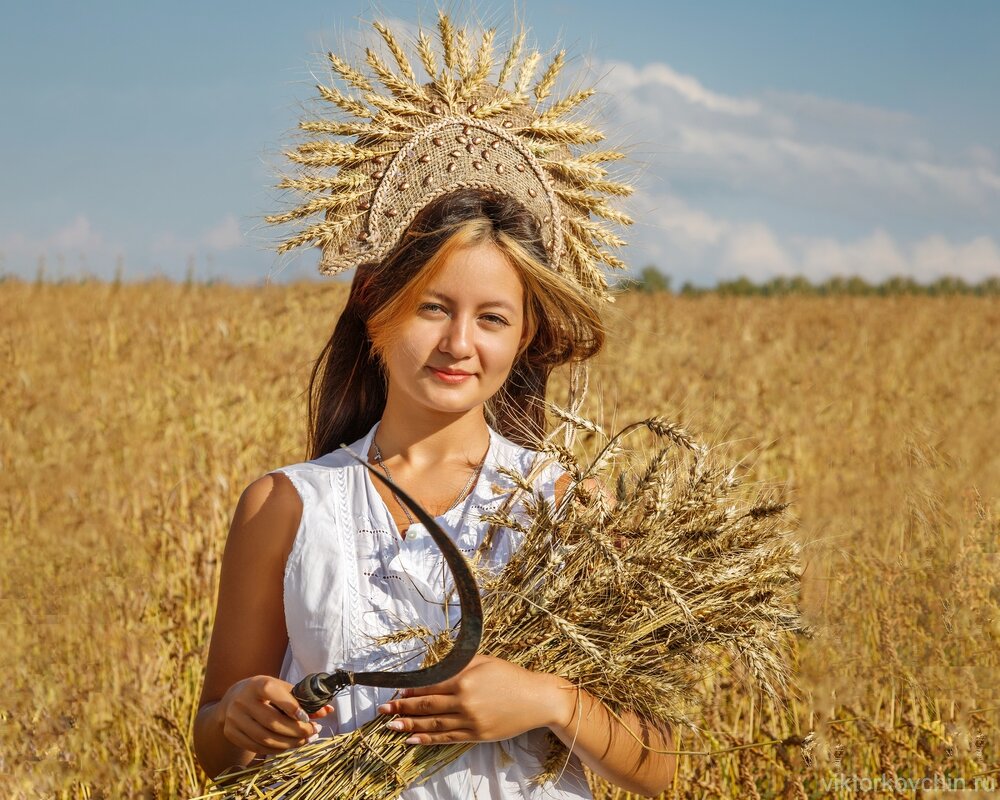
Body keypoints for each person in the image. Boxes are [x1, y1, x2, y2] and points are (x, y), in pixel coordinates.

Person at [194, 16, 677, 799]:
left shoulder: (569, 509)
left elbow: (664, 767)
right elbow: (214, 750)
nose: (459, 342)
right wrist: (239, 716)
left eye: (492, 318)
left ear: (525, 338)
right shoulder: (285, 506)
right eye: (430, 307)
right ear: (372, 306)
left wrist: (547, 699)